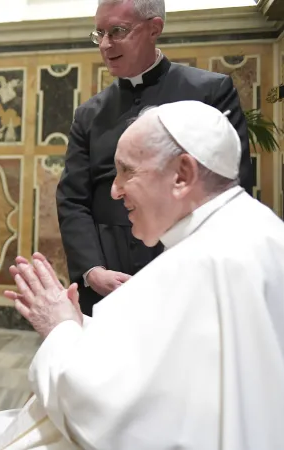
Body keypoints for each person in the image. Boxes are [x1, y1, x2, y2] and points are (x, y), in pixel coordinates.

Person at [0, 100, 284, 450]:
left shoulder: (203, 260)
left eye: (127, 171)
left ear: (182, 174)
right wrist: (82, 326)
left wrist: (59, 327)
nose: (115, 189)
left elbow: (104, 412)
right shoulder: (254, 233)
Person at [56, 0, 254, 316]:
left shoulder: (210, 92)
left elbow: (230, 187)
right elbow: (73, 199)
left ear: (154, 29)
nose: (106, 45)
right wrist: (93, 270)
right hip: (108, 279)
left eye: (117, 31)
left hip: (187, 277)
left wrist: (181, 266)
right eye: (100, 34)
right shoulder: (88, 115)